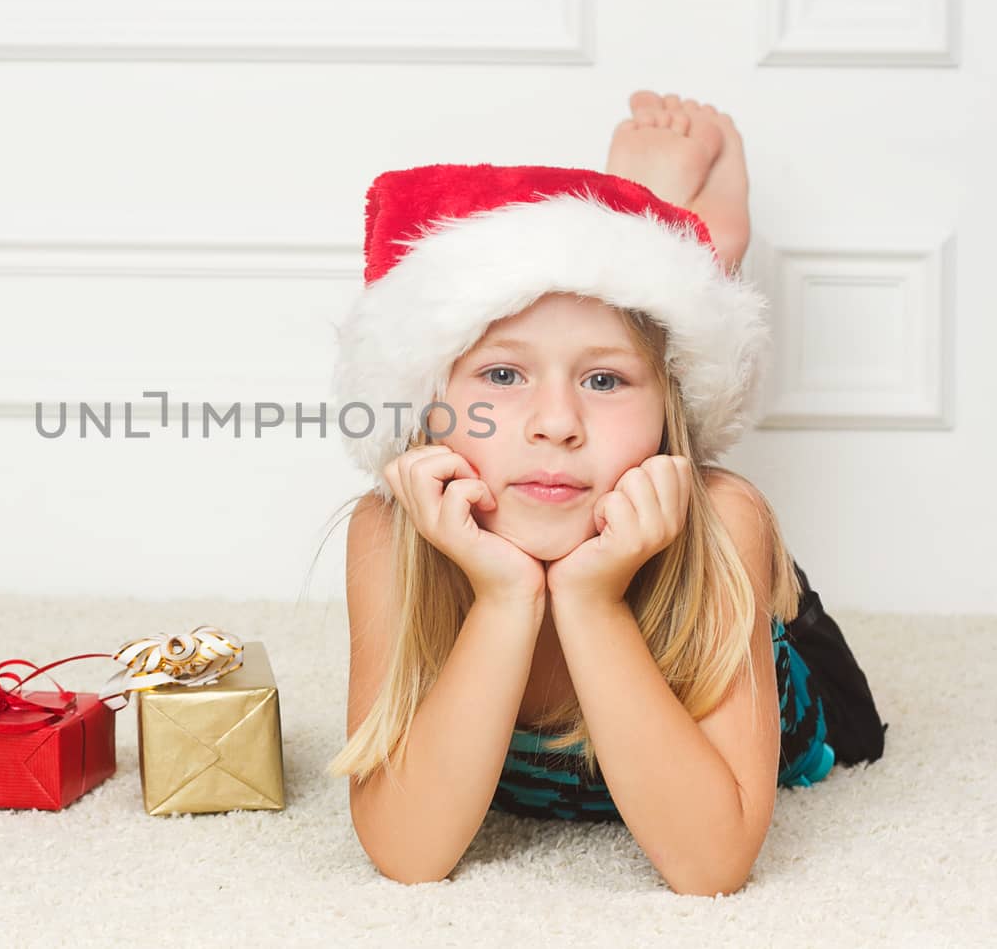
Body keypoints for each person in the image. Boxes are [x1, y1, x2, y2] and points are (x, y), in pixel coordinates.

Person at [324, 91, 887, 895]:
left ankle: (684, 249)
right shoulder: (392, 534)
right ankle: (665, 238)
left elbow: (710, 865)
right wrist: (504, 596)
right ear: (430, 403)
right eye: (503, 374)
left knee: (646, 310)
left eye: (604, 378)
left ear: (668, 409)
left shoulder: (725, 521)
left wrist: (593, 600)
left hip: (793, 675)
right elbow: (409, 854)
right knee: (606, 298)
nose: (556, 423)